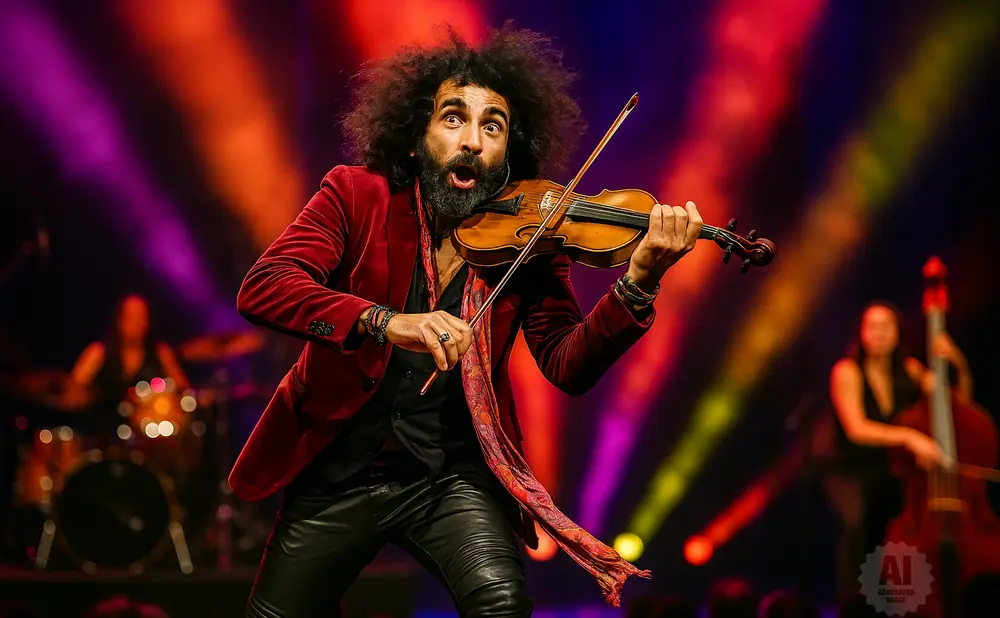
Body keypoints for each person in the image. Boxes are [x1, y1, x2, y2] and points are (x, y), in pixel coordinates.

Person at [232, 24, 703, 618]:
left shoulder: (530, 241)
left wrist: (638, 283)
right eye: (453, 118)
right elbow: (265, 286)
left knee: (502, 604)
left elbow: (568, 363)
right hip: (337, 469)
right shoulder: (356, 195)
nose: (473, 140)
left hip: (448, 477)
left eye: (493, 126)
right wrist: (385, 321)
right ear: (414, 137)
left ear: (509, 156)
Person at [825, 300, 974, 600]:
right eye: (873, 327)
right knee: (860, 525)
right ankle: (862, 599)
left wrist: (956, 361)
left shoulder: (910, 370)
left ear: (897, 333)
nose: (880, 333)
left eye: (887, 327)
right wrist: (909, 437)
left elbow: (957, 404)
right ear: (862, 333)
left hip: (898, 476)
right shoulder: (847, 371)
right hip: (855, 473)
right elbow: (857, 429)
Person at [62, 293, 190, 442]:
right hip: (103, 439)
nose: (136, 323)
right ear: (119, 320)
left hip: (151, 441)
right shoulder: (98, 353)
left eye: (142, 317)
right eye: (131, 317)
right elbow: (71, 394)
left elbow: (184, 393)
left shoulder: (161, 354)